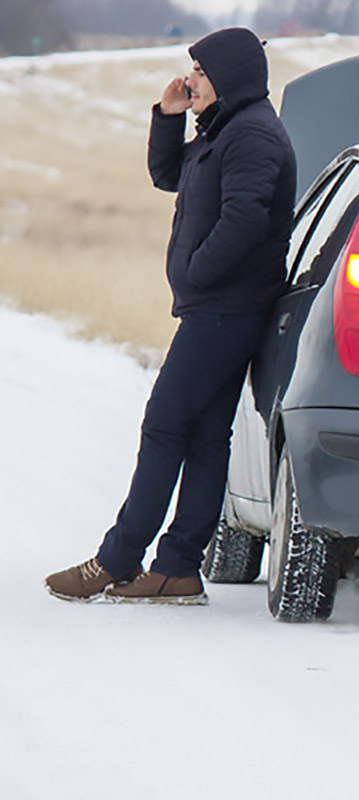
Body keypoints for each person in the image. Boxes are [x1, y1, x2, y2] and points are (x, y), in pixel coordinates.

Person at [45, 27, 297, 604]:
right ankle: (178, 568)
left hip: (226, 309)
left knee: (163, 424)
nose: (191, 81)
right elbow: (168, 174)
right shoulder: (227, 130)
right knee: (207, 435)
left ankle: (116, 559)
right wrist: (167, 114)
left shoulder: (253, 135)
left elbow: (245, 219)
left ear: (229, 77)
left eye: (201, 73)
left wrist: (195, 273)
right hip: (222, 307)